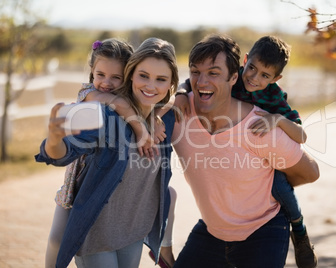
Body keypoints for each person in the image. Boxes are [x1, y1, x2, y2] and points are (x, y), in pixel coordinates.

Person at [171, 34, 320, 268]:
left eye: (213, 73)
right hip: (213, 229)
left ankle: (298, 229)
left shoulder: (263, 122)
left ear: (232, 77)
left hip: (264, 230)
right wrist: (179, 94)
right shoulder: (178, 114)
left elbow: (309, 170)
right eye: (195, 71)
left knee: (279, 184)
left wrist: (265, 184)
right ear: (244, 65)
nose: (202, 81)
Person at [36, 37, 179, 268]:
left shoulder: (164, 117)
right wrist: (54, 140)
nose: (151, 85)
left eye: (161, 79)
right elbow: (65, 151)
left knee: (171, 194)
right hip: (90, 220)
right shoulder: (102, 111)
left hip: (131, 232)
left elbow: (177, 95)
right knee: (56, 239)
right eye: (143, 76)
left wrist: (154, 116)